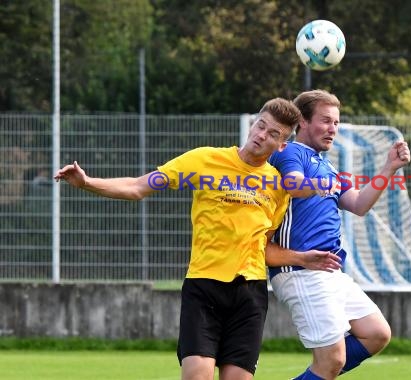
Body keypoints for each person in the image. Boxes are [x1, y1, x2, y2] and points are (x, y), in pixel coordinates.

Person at [54, 97, 341, 380]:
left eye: (273, 134)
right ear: (253, 124)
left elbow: (265, 247)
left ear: (282, 145)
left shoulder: (278, 187)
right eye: (261, 125)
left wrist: (301, 258)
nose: (262, 134)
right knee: (197, 376)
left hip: (250, 294)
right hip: (204, 286)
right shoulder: (205, 160)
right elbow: (138, 187)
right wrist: (87, 182)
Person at [265, 90, 411, 380]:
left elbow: (359, 204)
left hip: (330, 270)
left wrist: (389, 167)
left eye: (336, 122)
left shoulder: (327, 166)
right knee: (332, 360)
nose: (333, 129)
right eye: (326, 121)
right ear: (302, 122)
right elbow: (293, 183)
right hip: (300, 269)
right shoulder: (291, 152)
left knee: (376, 334)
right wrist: (317, 183)